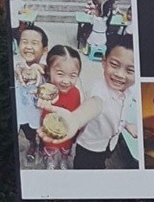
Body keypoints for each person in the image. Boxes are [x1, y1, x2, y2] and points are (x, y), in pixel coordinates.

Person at [40, 35, 138, 170]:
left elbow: (116, 111)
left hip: (109, 143)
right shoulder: (98, 91)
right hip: (89, 148)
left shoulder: (129, 91)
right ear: (104, 61)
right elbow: (95, 104)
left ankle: (64, 159)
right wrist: (76, 119)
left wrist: (126, 125)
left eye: (130, 70)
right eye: (114, 65)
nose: (120, 74)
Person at [38, 45, 83, 169]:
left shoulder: (76, 93)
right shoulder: (44, 91)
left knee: (65, 148)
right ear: (48, 71)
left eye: (72, 75)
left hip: (68, 131)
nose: (66, 81)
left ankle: (63, 160)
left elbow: (77, 115)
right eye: (60, 74)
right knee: (49, 146)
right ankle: (50, 159)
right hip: (48, 131)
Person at [14, 24, 48, 162]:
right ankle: (33, 144)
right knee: (29, 133)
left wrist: (39, 67)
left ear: (44, 49)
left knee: (44, 133)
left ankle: (43, 147)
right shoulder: (18, 67)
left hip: (42, 114)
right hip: (24, 113)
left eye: (34, 43)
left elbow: (47, 68)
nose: (28, 46)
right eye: (24, 41)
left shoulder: (47, 69)